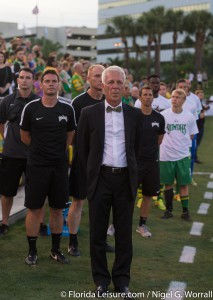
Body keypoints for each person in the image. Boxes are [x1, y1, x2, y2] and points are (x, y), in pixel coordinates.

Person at [77, 65, 141, 299]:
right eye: (110, 82)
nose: (115, 86)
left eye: (119, 83)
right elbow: (83, 149)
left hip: (125, 180)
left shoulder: (134, 115)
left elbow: (139, 149)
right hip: (100, 179)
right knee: (97, 235)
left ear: (125, 87)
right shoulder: (89, 113)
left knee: (124, 234)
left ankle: (122, 281)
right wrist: (93, 175)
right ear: (102, 85)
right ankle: (101, 281)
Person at [20, 68, 76, 266]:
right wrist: (40, 150)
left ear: (59, 84)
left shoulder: (68, 109)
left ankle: (55, 250)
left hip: (59, 167)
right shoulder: (31, 108)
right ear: (41, 85)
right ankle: (32, 251)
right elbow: (25, 136)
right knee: (34, 209)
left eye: (54, 81)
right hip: (36, 166)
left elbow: (70, 136)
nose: (51, 84)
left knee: (57, 209)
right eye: (47, 81)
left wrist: (56, 152)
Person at [67, 64, 107, 256]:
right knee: (78, 202)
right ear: (88, 79)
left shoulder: (111, 101)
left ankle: (101, 241)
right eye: (96, 76)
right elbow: (71, 135)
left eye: (103, 76)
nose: (100, 79)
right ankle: (73, 241)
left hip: (106, 163)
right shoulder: (78, 102)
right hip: (83, 161)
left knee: (103, 204)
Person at [0, 68, 38, 235]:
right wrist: (10, 141)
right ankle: (4, 223)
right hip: (11, 154)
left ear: (33, 80)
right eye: (21, 77)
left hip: (34, 155)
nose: (24, 80)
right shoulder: (7, 101)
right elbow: (1, 125)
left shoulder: (39, 102)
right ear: (17, 80)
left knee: (37, 191)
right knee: (7, 192)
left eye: (27, 78)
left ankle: (40, 223)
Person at [160, 89, 198, 221]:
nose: (174, 99)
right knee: (168, 184)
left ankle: (185, 212)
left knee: (183, 184)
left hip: (182, 156)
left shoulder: (189, 116)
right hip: (166, 156)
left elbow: (192, 135)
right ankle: (168, 210)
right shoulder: (163, 115)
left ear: (183, 100)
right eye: (173, 96)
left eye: (178, 97)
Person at [136, 85, 165, 238]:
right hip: (134, 162)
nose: (147, 97)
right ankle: (115, 224)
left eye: (150, 95)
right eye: (144, 94)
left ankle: (142, 225)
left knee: (148, 195)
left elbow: (159, 140)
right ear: (139, 97)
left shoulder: (159, 118)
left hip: (151, 163)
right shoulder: (134, 116)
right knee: (127, 195)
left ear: (153, 98)